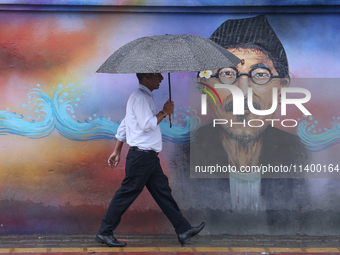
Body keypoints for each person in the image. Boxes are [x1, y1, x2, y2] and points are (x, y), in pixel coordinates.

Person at [192, 15, 309, 177]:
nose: (242, 90)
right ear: (204, 86)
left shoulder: (300, 154)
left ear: (282, 88)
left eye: (260, 74)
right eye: (227, 73)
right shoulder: (184, 154)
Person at [96, 73, 205, 247]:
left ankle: (183, 230)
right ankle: (104, 232)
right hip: (141, 157)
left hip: (148, 158)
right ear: (147, 77)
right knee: (126, 194)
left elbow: (126, 124)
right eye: (157, 75)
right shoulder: (140, 98)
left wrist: (117, 151)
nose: (161, 78)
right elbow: (147, 125)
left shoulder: (143, 97)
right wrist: (165, 112)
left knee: (163, 193)